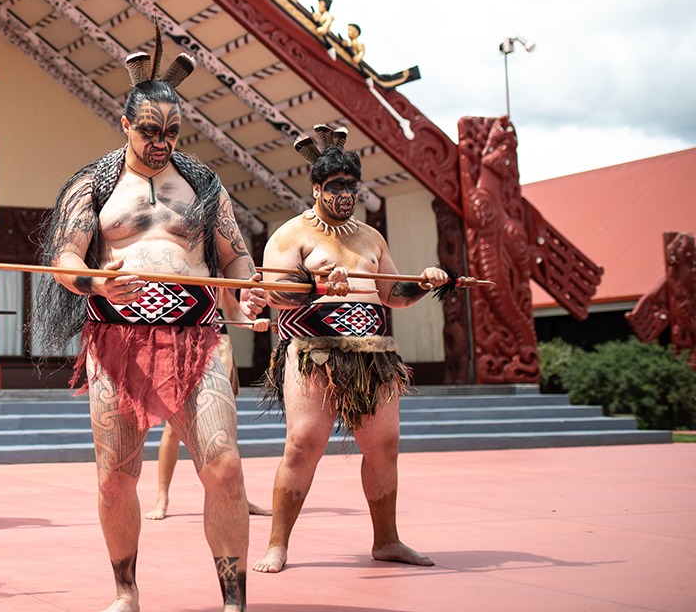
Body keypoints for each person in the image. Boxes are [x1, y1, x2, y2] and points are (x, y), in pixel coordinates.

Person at [36, 37, 269, 612]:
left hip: (197, 333)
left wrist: (247, 293)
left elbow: (235, 257)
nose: (161, 142)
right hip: (117, 338)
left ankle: (234, 600)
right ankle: (126, 590)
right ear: (124, 124)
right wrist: (96, 280)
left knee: (224, 465)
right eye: (149, 131)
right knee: (116, 477)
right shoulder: (91, 185)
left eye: (171, 131)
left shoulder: (205, 186)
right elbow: (66, 259)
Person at [251, 125, 447, 575]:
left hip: (372, 353)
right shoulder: (289, 235)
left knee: (385, 444)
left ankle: (387, 540)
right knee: (303, 443)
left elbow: (392, 293)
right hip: (311, 351)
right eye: (336, 188)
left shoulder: (371, 238)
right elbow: (277, 296)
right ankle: (277, 544)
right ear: (317, 188)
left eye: (351, 188)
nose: (345, 196)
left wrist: (424, 283)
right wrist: (317, 285)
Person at [145, 329, 269, 521]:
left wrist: (252, 322)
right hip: (181, 343)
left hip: (218, 346)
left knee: (226, 428)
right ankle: (162, 498)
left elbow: (236, 312)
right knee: (172, 428)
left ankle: (239, 496)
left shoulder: (223, 296)